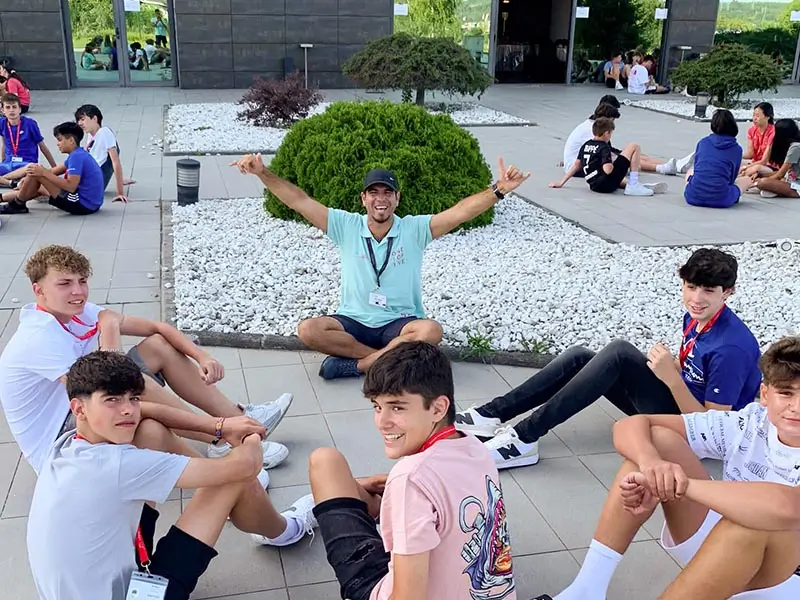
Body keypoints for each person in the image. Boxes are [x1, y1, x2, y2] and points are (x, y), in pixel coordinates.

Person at [27, 351, 317, 600]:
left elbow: (148, 412)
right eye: (112, 400)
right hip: (133, 594)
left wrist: (220, 426)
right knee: (234, 477)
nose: (127, 410)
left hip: (101, 579)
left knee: (150, 430)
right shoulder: (114, 465)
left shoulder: (66, 444)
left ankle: (238, 496)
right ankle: (285, 531)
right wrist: (249, 435)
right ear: (79, 408)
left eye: (133, 398)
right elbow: (243, 466)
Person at [535, 336, 800, 600]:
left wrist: (681, 485)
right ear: (765, 394)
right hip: (725, 550)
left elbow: (787, 508)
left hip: (787, 580)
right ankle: (585, 591)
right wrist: (653, 467)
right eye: (786, 393)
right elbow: (630, 426)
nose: (796, 407)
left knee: (753, 522)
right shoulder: (751, 422)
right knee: (657, 442)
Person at [455, 248, 762, 470]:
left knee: (618, 353)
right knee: (580, 357)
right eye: (691, 287)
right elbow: (695, 373)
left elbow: (714, 428)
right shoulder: (697, 317)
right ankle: (491, 415)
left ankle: (523, 439)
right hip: (679, 408)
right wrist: (671, 373)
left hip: (696, 436)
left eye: (708, 290)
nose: (696, 298)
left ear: (728, 292)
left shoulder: (731, 348)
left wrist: (670, 377)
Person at [232, 153, 530, 380]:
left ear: (397, 198)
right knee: (309, 330)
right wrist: (263, 173)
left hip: (398, 323)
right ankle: (385, 362)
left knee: (431, 331)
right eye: (374, 192)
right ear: (364, 198)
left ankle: (359, 366)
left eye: (387, 192)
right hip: (354, 321)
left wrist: (499, 190)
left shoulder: (415, 229)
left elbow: (460, 213)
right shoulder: (345, 225)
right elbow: (299, 200)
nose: (381, 199)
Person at [0, 245, 292, 476]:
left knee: (157, 347)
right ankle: (224, 439)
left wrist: (203, 355)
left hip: (87, 405)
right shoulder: (38, 337)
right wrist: (110, 329)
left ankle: (237, 421)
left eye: (82, 281)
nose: (77, 292)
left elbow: (158, 329)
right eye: (65, 284)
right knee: (134, 387)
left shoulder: (78, 310)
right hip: (60, 441)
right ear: (39, 290)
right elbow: (108, 386)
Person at [308, 341, 516, 600]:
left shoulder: (411, 478)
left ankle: (348, 503)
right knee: (361, 487)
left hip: (383, 587)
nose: (381, 422)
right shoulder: (474, 447)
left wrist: (403, 489)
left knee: (324, 462)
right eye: (377, 406)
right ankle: (369, 499)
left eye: (397, 407)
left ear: (438, 408)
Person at [559, 95, 692, 178]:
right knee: (627, 157)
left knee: (631, 154)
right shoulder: (592, 130)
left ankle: (673, 164)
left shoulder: (593, 125)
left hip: (581, 163)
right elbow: (608, 156)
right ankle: (663, 168)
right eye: (612, 121)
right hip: (581, 169)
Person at [0, 122, 106, 215]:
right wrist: (29, 177)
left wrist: (42, 173)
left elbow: (71, 187)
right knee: (37, 177)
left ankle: (16, 205)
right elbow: (53, 171)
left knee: (38, 174)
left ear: (71, 140)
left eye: (60, 140)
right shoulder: (79, 153)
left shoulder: (77, 157)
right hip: (91, 203)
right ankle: (10, 201)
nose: (57, 144)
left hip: (83, 204)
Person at [550, 117, 666, 196]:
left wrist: (561, 182)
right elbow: (608, 169)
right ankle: (634, 185)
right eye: (611, 133)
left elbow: (576, 165)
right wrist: (617, 163)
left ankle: (636, 185)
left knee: (609, 175)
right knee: (633, 146)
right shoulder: (604, 147)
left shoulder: (586, 145)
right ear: (607, 133)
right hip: (606, 185)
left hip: (594, 185)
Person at [684, 109, 750, 209]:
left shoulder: (703, 142)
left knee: (691, 171)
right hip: (721, 199)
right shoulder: (736, 149)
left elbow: (697, 167)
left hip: (692, 197)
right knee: (746, 180)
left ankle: (695, 189)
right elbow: (732, 177)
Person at [75, 104, 134, 202]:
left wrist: (120, 193)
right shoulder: (91, 135)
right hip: (88, 177)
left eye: (82, 119)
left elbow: (115, 162)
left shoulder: (104, 132)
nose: (79, 123)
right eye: (78, 120)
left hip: (94, 181)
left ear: (94, 118)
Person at [0, 93, 56, 182]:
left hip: (26, 164)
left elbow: (42, 146)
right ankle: (11, 182)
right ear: (2, 110)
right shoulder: (2, 123)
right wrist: (2, 161)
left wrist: (54, 168)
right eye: (8, 107)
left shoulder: (30, 123)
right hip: (8, 163)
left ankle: (4, 180)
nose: (11, 110)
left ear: (20, 109)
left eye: (14, 107)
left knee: (33, 169)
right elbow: (3, 143)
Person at [754, 118, 800, 199]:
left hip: (797, 186)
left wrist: (755, 182)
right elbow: (782, 172)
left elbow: (780, 175)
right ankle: (776, 190)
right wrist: (760, 176)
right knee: (761, 178)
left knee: (762, 183)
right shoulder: (791, 146)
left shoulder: (796, 147)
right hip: (791, 181)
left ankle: (778, 191)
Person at [740, 102, 776, 179]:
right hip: (755, 162)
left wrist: (746, 167)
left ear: (767, 117)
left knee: (756, 168)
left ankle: (738, 177)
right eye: (753, 115)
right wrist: (736, 155)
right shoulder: (751, 130)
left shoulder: (773, 131)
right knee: (736, 162)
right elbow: (750, 154)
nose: (754, 118)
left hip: (769, 166)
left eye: (758, 116)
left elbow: (764, 161)